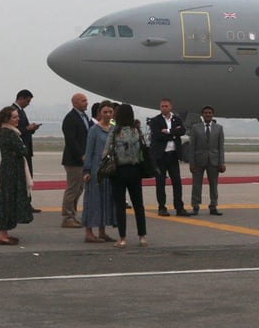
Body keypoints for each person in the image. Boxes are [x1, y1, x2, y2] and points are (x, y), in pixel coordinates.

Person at [106, 104, 148, 248]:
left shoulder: (114, 131)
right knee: (138, 204)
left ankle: (122, 238)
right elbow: (144, 147)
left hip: (119, 171)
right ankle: (142, 236)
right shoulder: (137, 131)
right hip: (135, 170)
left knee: (120, 205)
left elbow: (106, 151)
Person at [0, 106, 33, 245]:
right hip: (11, 171)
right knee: (6, 200)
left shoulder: (8, 132)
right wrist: (19, 152)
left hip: (10, 169)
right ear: (7, 119)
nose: (18, 119)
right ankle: (2, 235)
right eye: (14, 117)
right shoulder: (9, 133)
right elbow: (23, 150)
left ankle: (4, 233)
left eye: (17, 116)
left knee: (7, 200)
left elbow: (20, 151)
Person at [81, 100, 116, 243]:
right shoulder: (94, 130)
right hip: (96, 169)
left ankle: (102, 231)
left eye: (110, 112)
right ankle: (88, 232)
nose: (108, 115)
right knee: (93, 200)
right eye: (105, 112)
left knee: (105, 200)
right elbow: (89, 151)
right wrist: (87, 170)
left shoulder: (114, 128)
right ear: (99, 113)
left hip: (110, 170)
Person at [148, 98, 190, 217]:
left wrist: (167, 131)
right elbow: (157, 135)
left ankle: (179, 207)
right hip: (161, 156)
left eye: (166, 106)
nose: (164, 108)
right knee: (160, 183)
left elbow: (182, 131)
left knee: (177, 182)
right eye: (162, 106)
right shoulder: (155, 120)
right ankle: (162, 207)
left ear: (171, 107)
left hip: (173, 156)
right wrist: (173, 134)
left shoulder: (177, 119)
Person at [187, 105, 226, 216]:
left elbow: (221, 147)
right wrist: (192, 162)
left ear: (212, 114)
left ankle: (213, 206)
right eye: (205, 113)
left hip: (213, 161)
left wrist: (221, 162)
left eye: (209, 113)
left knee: (213, 185)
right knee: (196, 185)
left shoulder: (219, 128)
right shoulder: (195, 128)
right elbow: (192, 146)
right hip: (198, 161)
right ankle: (195, 206)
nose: (208, 114)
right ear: (202, 115)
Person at [60, 92, 91, 228]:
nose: (86, 103)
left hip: (82, 159)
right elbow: (71, 140)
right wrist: (81, 155)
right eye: (83, 101)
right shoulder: (70, 118)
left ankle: (72, 215)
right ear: (75, 103)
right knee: (72, 189)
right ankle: (67, 217)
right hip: (73, 160)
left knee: (79, 189)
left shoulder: (84, 117)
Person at [12, 89, 42, 212]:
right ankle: (23, 205)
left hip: (26, 150)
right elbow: (14, 131)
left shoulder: (21, 111)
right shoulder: (13, 111)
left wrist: (32, 129)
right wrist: (27, 128)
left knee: (27, 178)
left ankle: (26, 204)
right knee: (23, 179)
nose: (28, 104)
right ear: (21, 98)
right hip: (21, 151)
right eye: (28, 101)